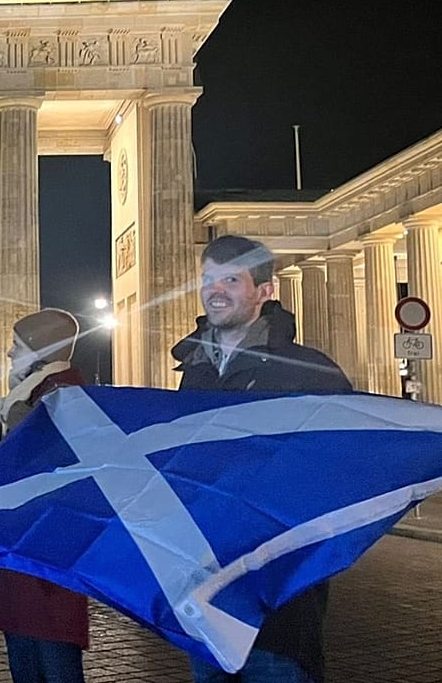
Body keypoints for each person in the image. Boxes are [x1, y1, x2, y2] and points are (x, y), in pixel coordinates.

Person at [171, 235, 353, 683]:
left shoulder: (309, 371)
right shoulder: (194, 374)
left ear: (265, 291)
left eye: (231, 279)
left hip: (278, 604)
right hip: (209, 599)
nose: (215, 290)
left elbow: (351, 456)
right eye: (208, 279)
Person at [0, 309, 91, 683]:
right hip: (18, 557)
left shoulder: (64, 393)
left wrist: (15, 419)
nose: (9, 354)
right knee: (26, 662)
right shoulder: (29, 395)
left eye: (16, 345)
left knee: (53, 667)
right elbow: (6, 466)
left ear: (42, 349)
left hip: (46, 561)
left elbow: (47, 459)